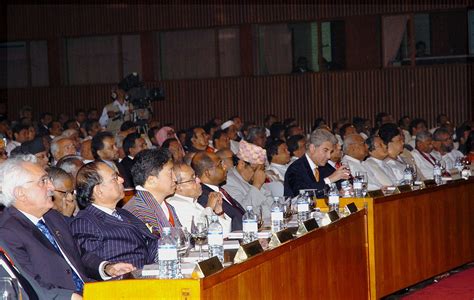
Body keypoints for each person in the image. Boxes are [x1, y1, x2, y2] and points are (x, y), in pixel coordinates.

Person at [0, 156, 134, 296]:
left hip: (90, 291)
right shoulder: (7, 231)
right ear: (21, 193)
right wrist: (68, 297)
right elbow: (29, 283)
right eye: (43, 181)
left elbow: (79, 254)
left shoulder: (52, 216)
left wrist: (106, 268)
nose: (51, 187)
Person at [70, 162, 158, 269]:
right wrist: (108, 269)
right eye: (114, 178)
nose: (122, 180)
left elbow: (150, 241)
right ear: (99, 190)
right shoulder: (85, 222)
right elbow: (89, 261)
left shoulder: (123, 213)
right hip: (124, 280)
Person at [123, 148, 181, 237]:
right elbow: (159, 247)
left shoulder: (165, 205)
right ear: (151, 180)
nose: (175, 179)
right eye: (170, 172)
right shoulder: (139, 212)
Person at [167, 163, 231, 235]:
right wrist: (209, 207)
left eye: (196, 176)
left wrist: (219, 211)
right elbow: (199, 233)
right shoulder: (175, 204)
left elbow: (225, 232)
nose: (199, 180)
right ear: (178, 187)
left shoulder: (192, 201)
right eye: (193, 179)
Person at [284, 129, 350, 198]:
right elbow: (303, 195)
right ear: (312, 148)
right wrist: (329, 180)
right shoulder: (295, 169)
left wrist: (344, 190)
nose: (329, 156)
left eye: (330, 152)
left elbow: (340, 185)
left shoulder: (326, 167)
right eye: (325, 150)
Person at [191, 151, 245, 231]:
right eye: (220, 164)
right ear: (207, 173)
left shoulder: (219, 191)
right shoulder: (204, 197)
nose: (225, 167)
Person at [223, 141, 274, 219]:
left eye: (262, 169)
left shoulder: (255, 177)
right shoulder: (228, 182)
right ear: (241, 164)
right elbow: (242, 212)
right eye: (256, 169)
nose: (259, 173)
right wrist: (256, 186)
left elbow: (272, 206)